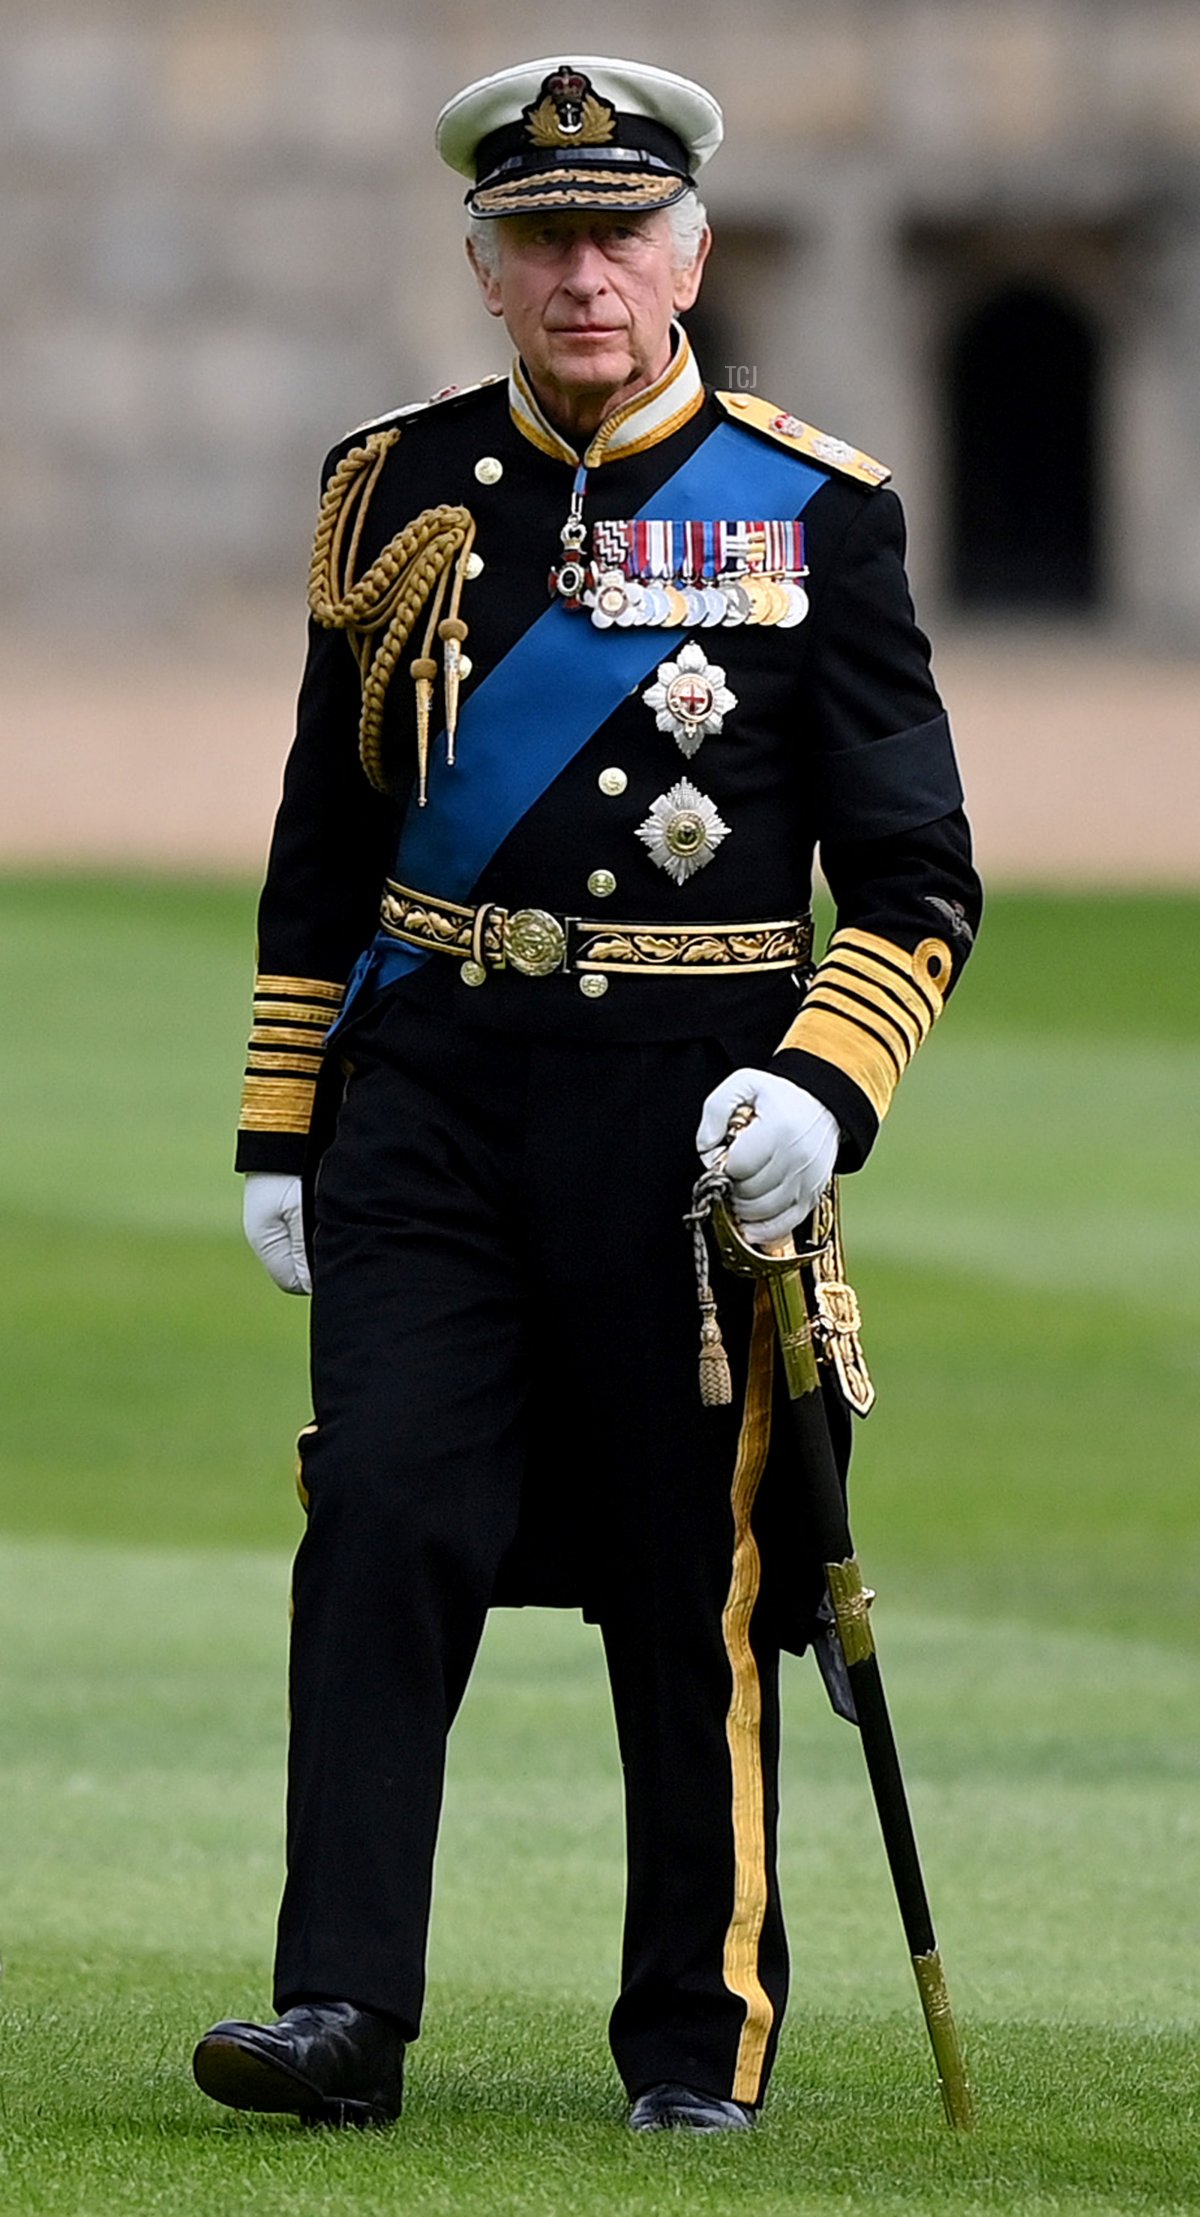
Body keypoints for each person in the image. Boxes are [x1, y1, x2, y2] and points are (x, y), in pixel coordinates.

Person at [192, 53, 981, 2135]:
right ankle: (337, 2005)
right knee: (380, 1511)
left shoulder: (819, 508)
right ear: (485, 269)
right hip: (433, 1092)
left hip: (688, 1118)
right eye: (542, 238)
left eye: (621, 233)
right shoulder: (393, 490)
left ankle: (694, 2039)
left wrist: (825, 1087)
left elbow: (917, 878)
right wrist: (285, 1120)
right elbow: (320, 834)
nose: (584, 274)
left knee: (687, 1572)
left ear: (695, 252)